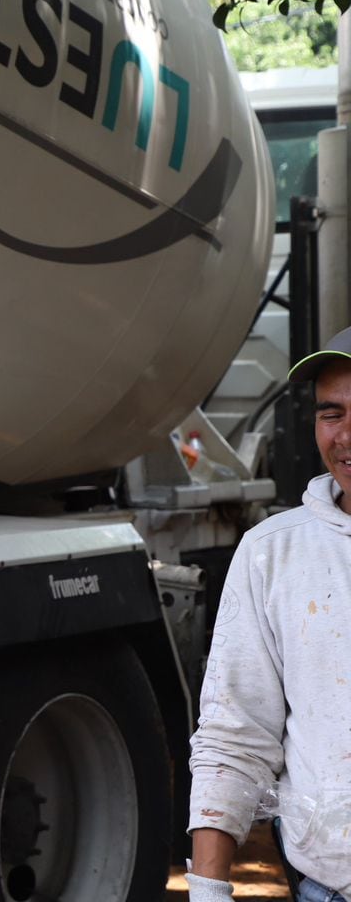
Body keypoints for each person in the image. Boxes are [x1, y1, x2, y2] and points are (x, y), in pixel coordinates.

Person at [186, 326, 351, 902]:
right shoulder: (273, 552)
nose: (346, 435)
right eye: (331, 413)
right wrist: (208, 891)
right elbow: (236, 732)